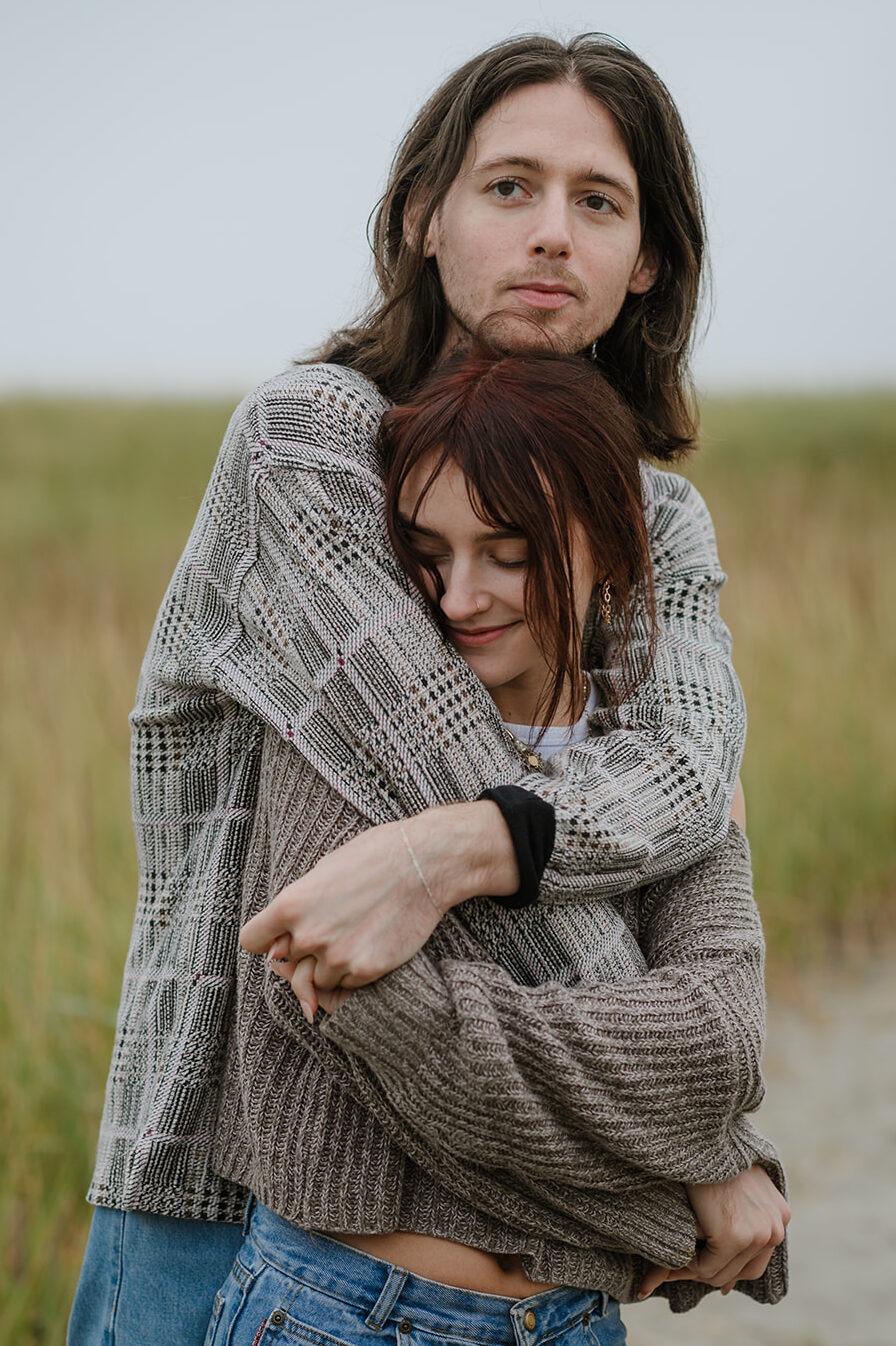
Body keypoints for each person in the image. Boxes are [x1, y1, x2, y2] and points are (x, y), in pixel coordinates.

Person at [68, 32, 782, 1346]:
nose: (553, 233)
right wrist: (695, 1134)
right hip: (221, 1189)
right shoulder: (319, 443)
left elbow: (684, 779)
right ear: (422, 219)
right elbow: (439, 756)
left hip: (535, 1244)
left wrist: (460, 849)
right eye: (508, 186)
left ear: (650, 260)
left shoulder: (661, 522)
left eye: (599, 201)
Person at [204, 349, 787, 1345]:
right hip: (341, 1312)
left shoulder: (659, 757)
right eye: (427, 552)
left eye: (506, 550)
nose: (459, 595)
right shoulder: (346, 715)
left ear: (607, 543)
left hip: (572, 1321)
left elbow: (717, 1045)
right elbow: (363, 1012)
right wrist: (683, 1184)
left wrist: (687, 1120)